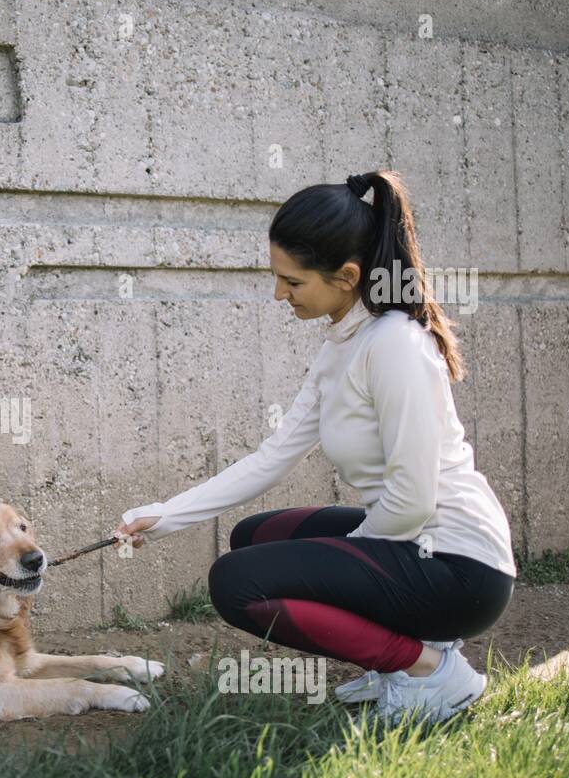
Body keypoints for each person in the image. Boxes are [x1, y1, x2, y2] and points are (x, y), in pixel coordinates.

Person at [114, 170, 515, 725]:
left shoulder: (395, 345)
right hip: (412, 545)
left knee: (237, 583)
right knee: (253, 538)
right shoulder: (342, 346)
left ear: (347, 276)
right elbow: (272, 456)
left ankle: (430, 671)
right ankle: (407, 663)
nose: (280, 294)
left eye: (293, 282)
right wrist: (163, 517)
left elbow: (416, 500)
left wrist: (348, 563)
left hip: (461, 569)